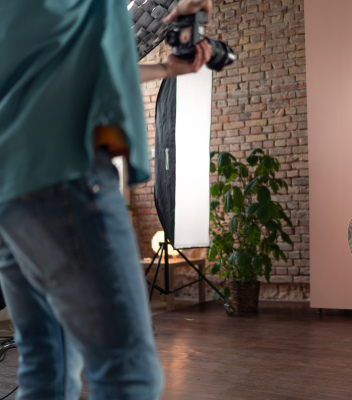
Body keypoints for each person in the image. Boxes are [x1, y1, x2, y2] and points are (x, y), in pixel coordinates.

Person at [0, 0, 212, 398]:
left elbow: (77, 71)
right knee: (127, 373)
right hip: (65, 173)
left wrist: (167, 69)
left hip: (13, 184)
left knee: (47, 364)